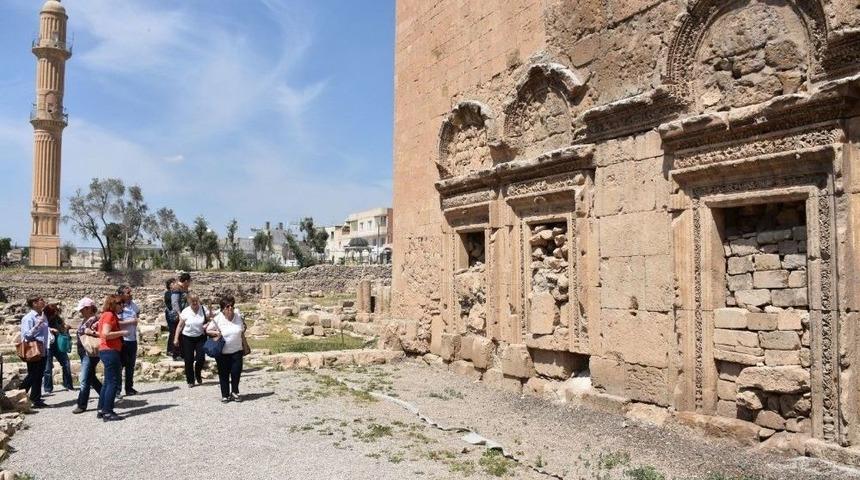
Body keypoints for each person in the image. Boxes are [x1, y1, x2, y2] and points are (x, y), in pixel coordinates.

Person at [206, 295, 245, 403]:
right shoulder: (218, 318)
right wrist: (217, 333)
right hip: (223, 351)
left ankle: (235, 392)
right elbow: (208, 330)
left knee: (236, 372)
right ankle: (225, 394)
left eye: (232, 306)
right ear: (223, 309)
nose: (230, 308)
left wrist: (245, 346)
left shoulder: (238, 317)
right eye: (227, 306)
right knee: (223, 374)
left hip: (237, 350)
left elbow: (241, 332)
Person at [97, 295, 127, 422]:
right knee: (113, 382)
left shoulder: (108, 315)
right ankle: (108, 411)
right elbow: (106, 334)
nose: (122, 305)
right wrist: (123, 333)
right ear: (113, 304)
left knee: (108, 382)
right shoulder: (109, 315)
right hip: (110, 351)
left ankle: (101, 409)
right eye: (120, 303)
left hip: (106, 350)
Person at [73, 297, 103, 414]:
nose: (80, 311)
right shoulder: (86, 320)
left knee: (84, 379)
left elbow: (99, 334)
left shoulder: (94, 320)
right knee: (91, 378)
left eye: (83, 309)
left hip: (89, 353)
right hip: (84, 352)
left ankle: (81, 404)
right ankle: (105, 395)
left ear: (89, 308)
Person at [19, 296, 49, 408]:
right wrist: (37, 325)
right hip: (33, 350)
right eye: (41, 300)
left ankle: (36, 399)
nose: (43, 301)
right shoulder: (28, 318)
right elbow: (26, 335)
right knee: (32, 374)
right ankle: (19, 393)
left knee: (39, 375)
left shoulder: (43, 315)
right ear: (34, 303)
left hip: (43, 349)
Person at [174, 294, 209, 388]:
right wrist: (176, 338)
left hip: (201, 337)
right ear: (189, 302)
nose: (194, 303)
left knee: (201, 358)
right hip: (187, 337)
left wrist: (207, 325)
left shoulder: (204, 309)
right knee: (188, 359)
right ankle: (190, 380)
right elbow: (180, 325)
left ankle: (198, 373)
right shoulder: (185, 311)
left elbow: (210, 320)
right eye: (192, 301)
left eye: (196, 301)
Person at [42, 303, 73, 393]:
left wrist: (65, 328)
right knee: (47, 368)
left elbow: (62, 328)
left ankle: (68, 385)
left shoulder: (57, 318)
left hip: (59, 344)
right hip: (48, 345)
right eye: (53, 313)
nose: (54, 315)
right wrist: (50, 329)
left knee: (66, 364)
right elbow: (41, 329)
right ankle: (48, 388)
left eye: (56, 313)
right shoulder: (43, 319)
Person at [116, 285, 140, 397]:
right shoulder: (117, 306)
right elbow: (116, 323)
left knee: (130, 365)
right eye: (127, 293)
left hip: (132, 339)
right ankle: (117, 390)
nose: (130, 294)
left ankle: (129, 388)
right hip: (122, 339)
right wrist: (130, 322)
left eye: (130, 292)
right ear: (121, 295)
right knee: (120, 365)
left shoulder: (133, 305)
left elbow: (137, 315)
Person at [168, 273, 192, 361]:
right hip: (178, 315)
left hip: (184, 314)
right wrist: (179, 314)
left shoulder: (184, 288)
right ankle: (176, 353)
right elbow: (175, 303)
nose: (190, 283)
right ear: (186, 281)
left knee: (183, 335)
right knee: (176, 334)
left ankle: (183, 353)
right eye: (189, 281)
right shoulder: (176, 288)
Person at [163, 278, 177, 358]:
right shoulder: (168, 293)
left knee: (175, 331)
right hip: (170, 314)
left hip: (176, 314)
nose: (175, 284)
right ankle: (169, 350)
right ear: (169, 285)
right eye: (173, 283)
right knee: (172, 331)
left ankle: (175, 349)